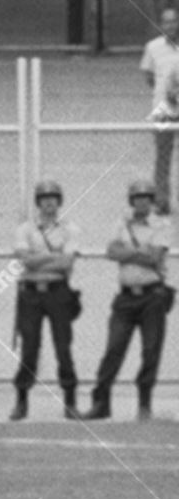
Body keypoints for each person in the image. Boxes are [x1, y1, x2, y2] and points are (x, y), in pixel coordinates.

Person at [82, 180, 172, 421]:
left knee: (151, 350)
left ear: (151, 201)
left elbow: (155, 258)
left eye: (146, 197)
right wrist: (139, 253)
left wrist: (128, 253)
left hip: (152, 295)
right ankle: (101, 402)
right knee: (113, 348)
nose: (141, 201)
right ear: (131, 201)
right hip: (125, 297)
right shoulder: (120, 223)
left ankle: (144, 403)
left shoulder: (162, 225)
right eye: (137, 197)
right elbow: (111, 252)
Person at [11, 180, 82, 421]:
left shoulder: (69, 228)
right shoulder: (26, 229)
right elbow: (24, 260)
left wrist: (38, 258)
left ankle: (70, 400)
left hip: (58, 291)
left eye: (53, 198)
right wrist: (53, 257)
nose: (49, 203)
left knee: (63, 346)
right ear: (38, 202)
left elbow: (67, 263)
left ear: (59, 202)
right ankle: (21, 400)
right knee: (29, 348)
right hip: (31, 293)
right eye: (44, 198)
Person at [144, 8, 179, 215]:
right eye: (166, 22)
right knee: (163, 157)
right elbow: (149, 77)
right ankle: (161, 200)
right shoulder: (152, 47)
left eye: (174, 21)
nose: (170, 26)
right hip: (163, 110)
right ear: (161, 24)